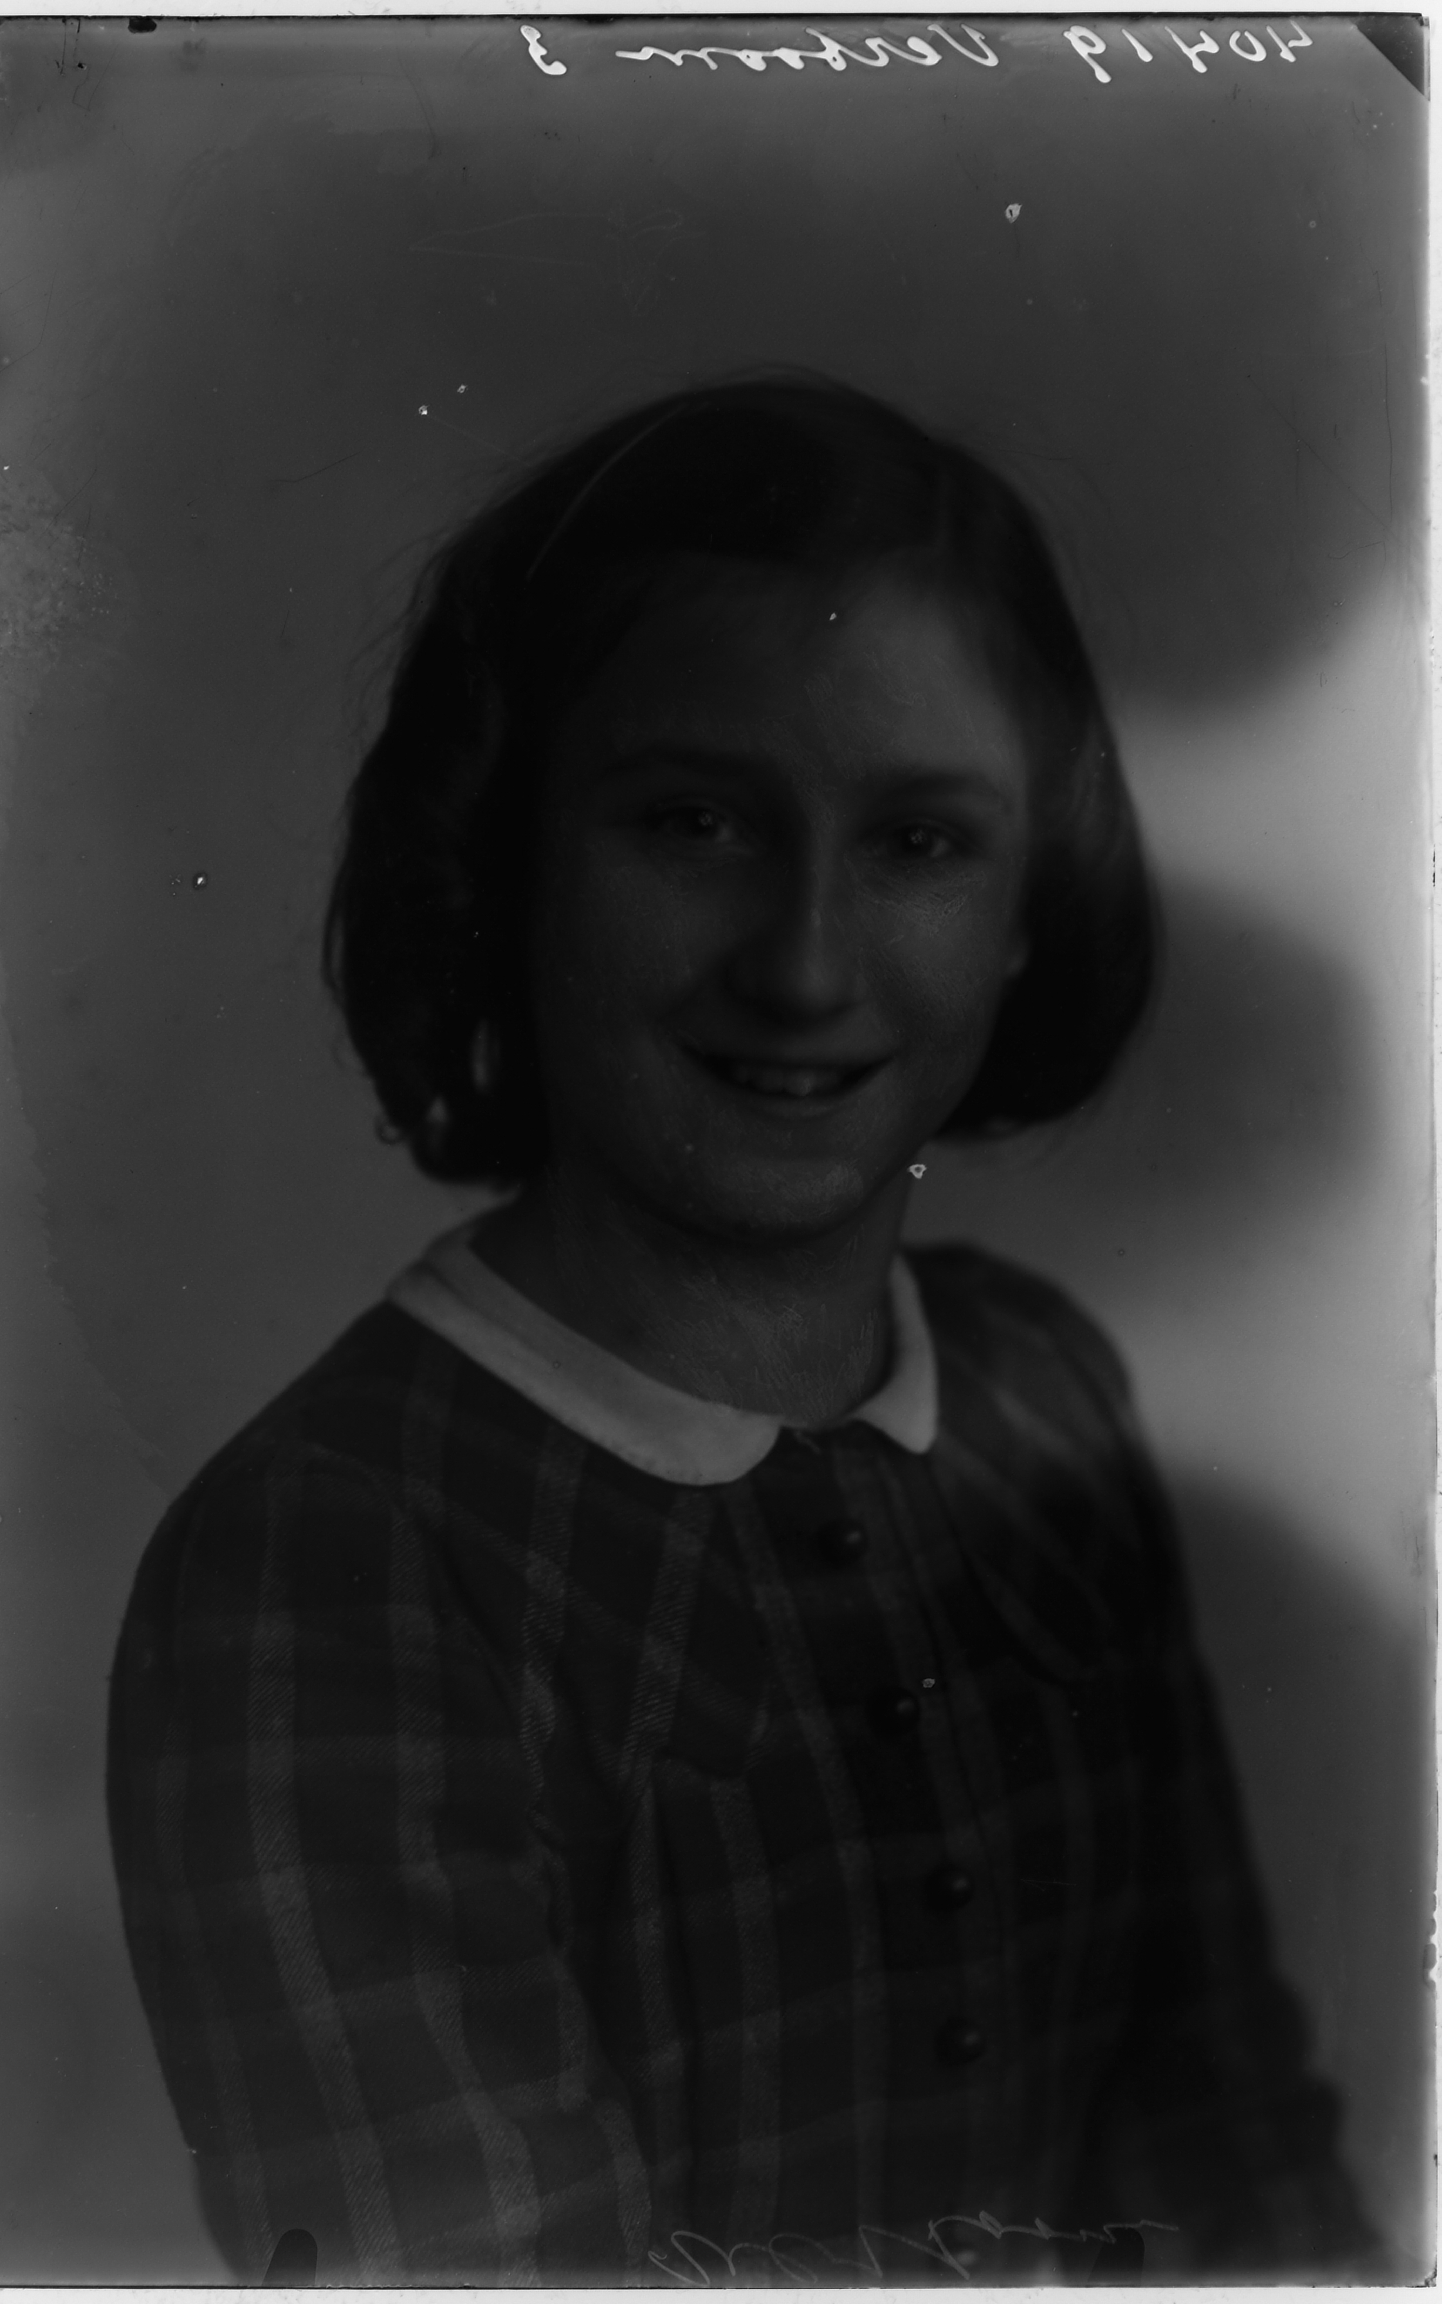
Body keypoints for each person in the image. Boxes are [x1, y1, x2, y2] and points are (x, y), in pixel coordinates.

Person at [107, 378, 1376, 2286]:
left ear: (1033, 906)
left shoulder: (1043, 1391)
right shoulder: (329, 1563)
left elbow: (1235, 2163)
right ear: (501, 855)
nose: (802, 963)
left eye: (921, 842)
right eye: (694, 822)